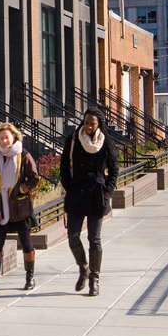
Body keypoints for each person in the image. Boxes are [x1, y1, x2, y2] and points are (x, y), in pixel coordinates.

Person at [60, 107, 119, 297]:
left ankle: (94, 279)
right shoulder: (73, 139)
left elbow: (114, 169)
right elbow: (63, 167)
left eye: (92, 124)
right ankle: (83, 267)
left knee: (94, 238)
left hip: (97, 195)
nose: (88, 127)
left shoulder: (105, 141)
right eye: (86, 122)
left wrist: (107, 191)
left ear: (99, 124)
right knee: (73, 236)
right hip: (77, 193)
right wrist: (70, 187)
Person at [0, 121, 40, 297]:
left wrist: (22, 188)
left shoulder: (23, 155)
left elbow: (34, 178)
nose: (4, 141)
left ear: (14, 137)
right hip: (1, 207)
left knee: (26, 243)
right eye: (1, 138)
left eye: (6, 137)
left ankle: (30, 277)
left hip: (20, 207)